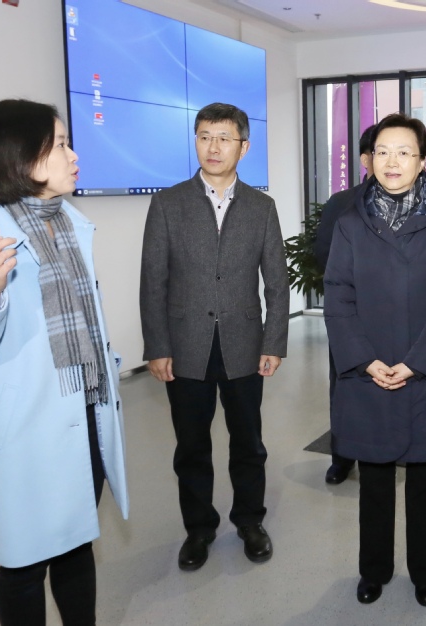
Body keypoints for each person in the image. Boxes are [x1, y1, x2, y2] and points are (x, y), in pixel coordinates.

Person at [0, 99, 129, 625]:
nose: (73, 154)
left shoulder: (70, 224)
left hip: (83, 416)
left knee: (77, 546)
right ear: (20, 158)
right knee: (23, 566)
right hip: (24, 432)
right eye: (60, 144)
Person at [324, 113, 426, 608]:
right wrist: (364, 359)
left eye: (404, 152)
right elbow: (337, 294)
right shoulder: (350, 222)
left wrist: (417, 362)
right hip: (368, 371)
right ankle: (374, 570)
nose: (392, 161)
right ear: (369, 158)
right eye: (383, 151)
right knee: (375, 478)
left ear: (421, 159)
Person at [140, 102, 290, 572]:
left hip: (245, 344)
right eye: (204, 136)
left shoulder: (262, 207)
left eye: (224, 138)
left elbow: (277, 283)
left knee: (248, 443)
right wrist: (157, 346)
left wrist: (273, 342)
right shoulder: (168, 203)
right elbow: (153, 281)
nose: (213, 147)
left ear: (244, 147)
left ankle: (250, 521)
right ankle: (199, 528)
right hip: (186, 345)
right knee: (191, 447)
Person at [314, 124, 375, 485]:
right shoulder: (341, 203)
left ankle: (386, 450)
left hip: (402, 318)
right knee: (346, 385)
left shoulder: (421, 205)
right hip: (350, 315)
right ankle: (342, 456)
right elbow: (325, 256)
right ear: (366, 159)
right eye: (382, 152)